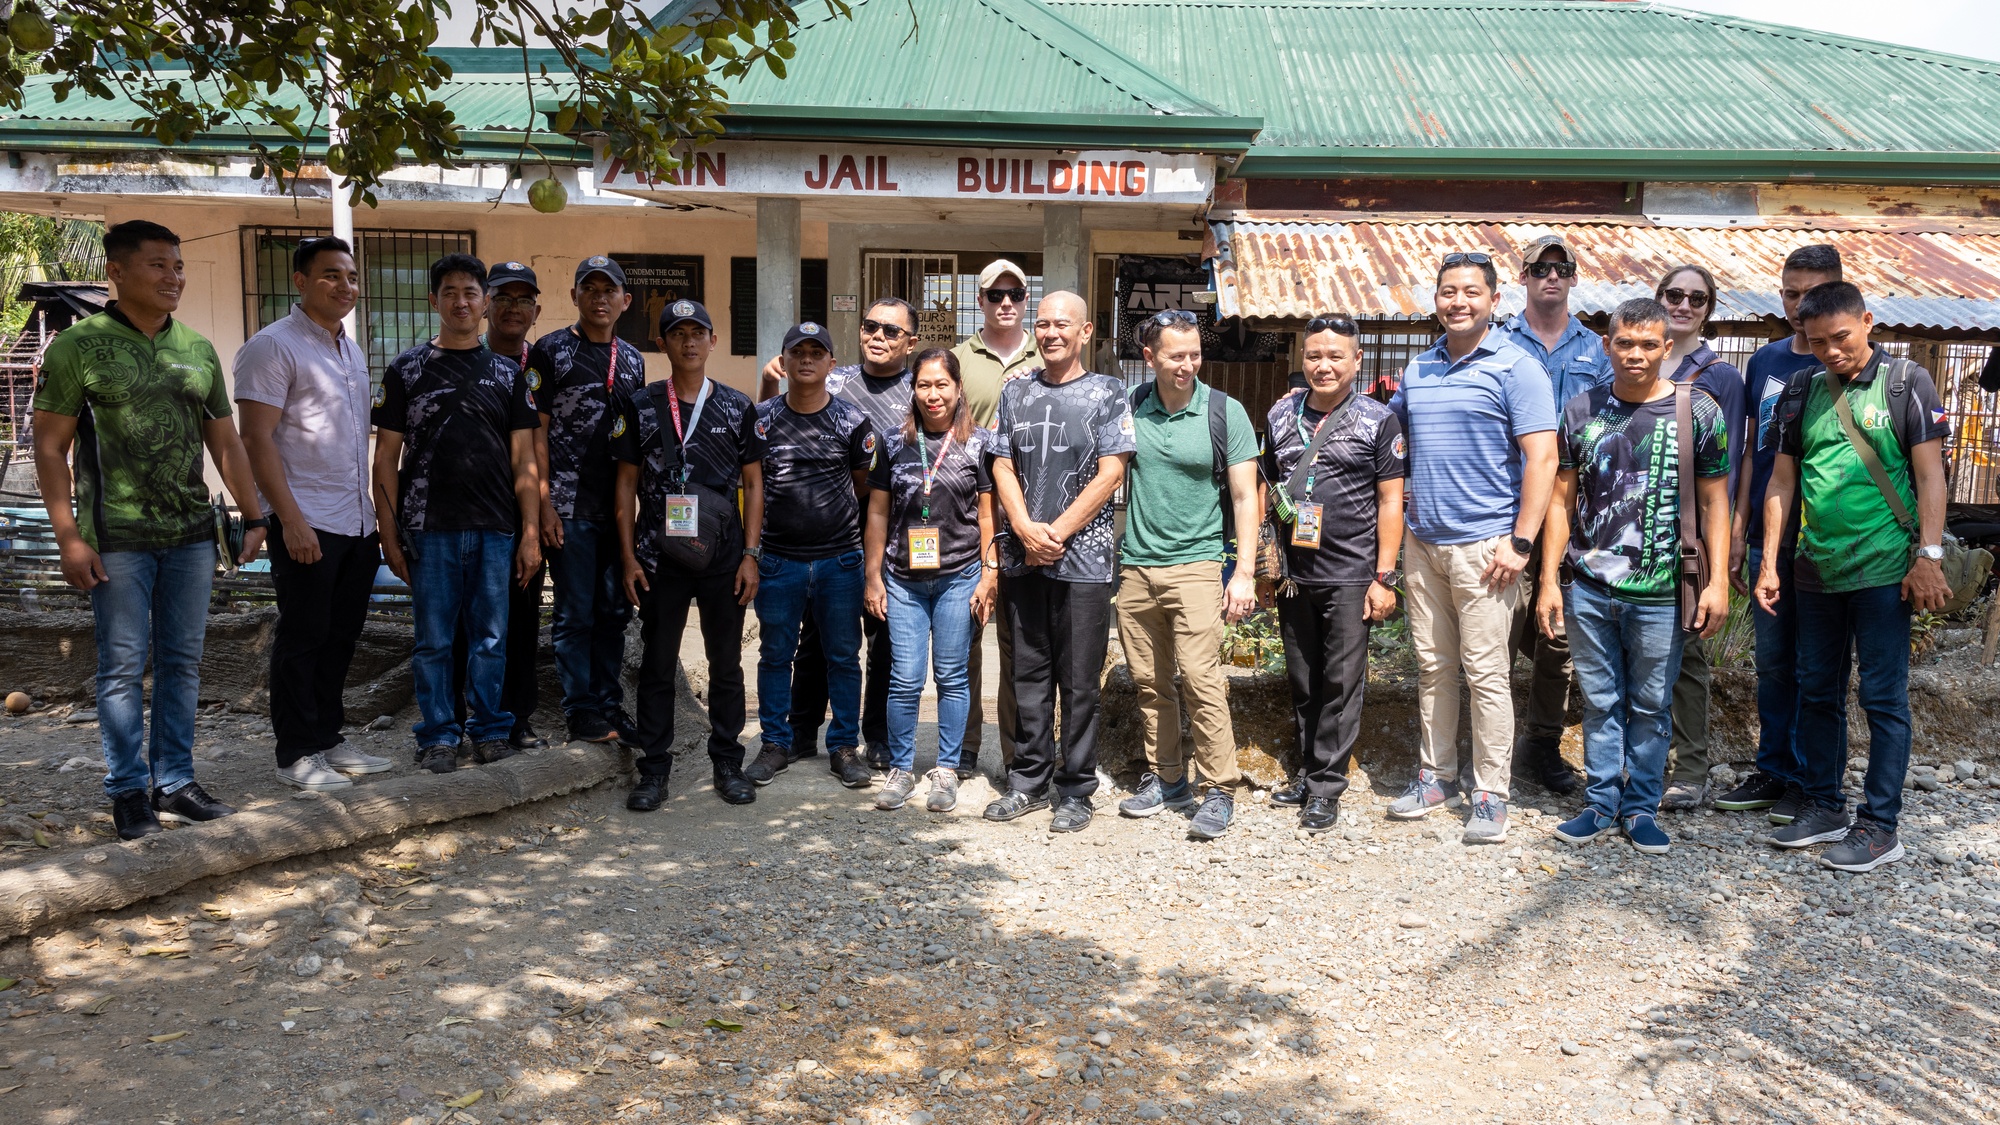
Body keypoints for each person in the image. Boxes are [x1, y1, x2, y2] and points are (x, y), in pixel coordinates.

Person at [32, 220, 266, 839]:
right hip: (117, 539)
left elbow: (226, 439)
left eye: (179, 266)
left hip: (192, 533)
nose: (174, 278)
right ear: (117, 271)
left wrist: (254, 511)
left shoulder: (196, 348)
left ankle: (175, 781)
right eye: (158, 265)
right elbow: (50, 449)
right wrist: (69, 538)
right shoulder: (76, 348)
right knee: (121, 666)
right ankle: (129, 791)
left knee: (184, 661)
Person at [1756, 281, 1951, 873]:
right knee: (1816, 690)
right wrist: (1770, 561)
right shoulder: (1801, 389)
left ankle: (1880, 825)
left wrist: (1930, 556)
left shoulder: (1906, 383)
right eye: (1817, 342)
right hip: (1816, 568)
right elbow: (1782, 483)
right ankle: (1824, 805)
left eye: (1840, 337)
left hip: (1886, 569)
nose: (1831, 352)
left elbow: (1930, 477)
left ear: (1867, 322)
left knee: (1882, 698)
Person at [1541, 299, 1731, 856]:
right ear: (1607, 345)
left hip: (1662, 592)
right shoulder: (1580, 409)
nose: (1636, 354)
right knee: (1600, 702)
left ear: (1667, 348)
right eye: (1625, 343)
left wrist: (1717, 581)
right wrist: (1551, 580)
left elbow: (1717, 501)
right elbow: (1560, 500)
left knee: (1651, 704)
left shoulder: (1698, 411)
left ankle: (1641, 806)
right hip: (1591, 586)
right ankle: (1601, 803)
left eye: (1649, 344)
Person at [1386, 252, 1558, 845]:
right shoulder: (1418, 370)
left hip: (1488, 547)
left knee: (1486, 673)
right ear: (1434, 299)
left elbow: (1543, 458)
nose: (1458, 301)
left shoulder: (1518, 367)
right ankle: (1436, 776)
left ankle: (1490, 792)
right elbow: (1394, 442)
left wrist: (1521, 543)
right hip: (1423, 542)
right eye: (1447, 292)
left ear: (1493, 300)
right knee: (1433, 667)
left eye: (1471, 292)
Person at [372, 254, 542, 774]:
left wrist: (531, 531)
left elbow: (525, 459)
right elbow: (386, 459)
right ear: (434, 300)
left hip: (495, 527)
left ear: (484, 302)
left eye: (471, 292)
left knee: (491, 638)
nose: (461, 302)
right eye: (450, 292)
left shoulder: (508, 374)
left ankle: (491, 729)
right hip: (428, 527)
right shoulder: (406, 371)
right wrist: (389, 533)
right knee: (434, 641)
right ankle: (438, 735)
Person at [235, 235, 392, 791]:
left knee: (342, 635)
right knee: (303, 636)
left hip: (356, 521)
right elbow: (256, 440)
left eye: (350, 277)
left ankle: (327, 737)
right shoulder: (272, 347)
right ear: (300, 281)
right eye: (330, 275)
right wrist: (291, 520)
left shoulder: (348, 348)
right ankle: (295, 753)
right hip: (308, 520)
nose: (344, 286)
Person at [983, 291, 1134, 834]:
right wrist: (1024, 529)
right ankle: (1027, 780)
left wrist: (1056, 533)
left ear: (1086, 331)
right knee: (1027, 676)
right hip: (1023, 558)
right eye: (1041, 323)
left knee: (1078, 681)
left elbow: (1111, 472)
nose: (1049, 333)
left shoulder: (1109, 394)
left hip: (1084, 562)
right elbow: (1000, 464)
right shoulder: (1015, 391)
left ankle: (1075, 789)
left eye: (1061, 324)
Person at [751, 299, 917, 778]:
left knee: (855, 651)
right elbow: (754, 479)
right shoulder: (779, 409)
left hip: (857, 547)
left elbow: (864, 484)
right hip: (783, 555)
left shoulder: (878, 405)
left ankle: (854, 744)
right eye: (870, 327)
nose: (806, 360)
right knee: (787, 651)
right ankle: (783, 740)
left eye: (816, 352)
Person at [1110, 309, 1260, 839]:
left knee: (1201, 679)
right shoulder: (1129, 409)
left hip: (1198, 566)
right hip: (1137, 567)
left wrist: (1242, 572)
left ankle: (1219, 788)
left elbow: (1246, 497)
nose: (1188, 365)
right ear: (1149, 357)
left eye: (1195, 354)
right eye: (1176, 355)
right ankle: (1167, 777)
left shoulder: (1225, 411)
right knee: (1150, 682)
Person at [612, 299, 766, 810]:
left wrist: (750, 554)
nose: (690, 341)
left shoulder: (737, 406)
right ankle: (653, 770)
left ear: (713, 341)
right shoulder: (641, 404)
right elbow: (626, 484)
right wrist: (630, 557)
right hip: (660, 557)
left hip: (723, 559)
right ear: (663, 343)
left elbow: (753, 483)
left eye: (699, 332)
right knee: (657, 664)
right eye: (678, 333)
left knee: (726, 664)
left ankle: (728, 763)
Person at [1259, 314, 1406, 834]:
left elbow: (1392, 501)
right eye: (1315, 356)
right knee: (1304, 678)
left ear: (1357, 360)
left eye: (1335, 356)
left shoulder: (1378, 420)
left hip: (1350, 572)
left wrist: (1383, 577)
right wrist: (1262, 559)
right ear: (1303, 359)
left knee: (1341, 682)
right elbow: (1267, 485)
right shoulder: (1281, 414)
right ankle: (1307, 768)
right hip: (1294, 573)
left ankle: (1326, 786)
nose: (1324, 365)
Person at [1714, 245, 1844, 824]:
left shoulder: (1850, 360)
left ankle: (1814, 782)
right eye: (1790, 293)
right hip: (1770, 534)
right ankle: (1774, 769)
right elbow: (1750, 453)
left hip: (1829, 540)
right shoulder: (1765, 361)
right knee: (1771, 661)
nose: (1798, 305)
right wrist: (1739, 533)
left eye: (1812, 294)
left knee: (1818, 668)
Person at [1500, 233, 1611, 796]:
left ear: (1572, 278)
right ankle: (1491, 745)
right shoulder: (1495, 344)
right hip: (1506, 510)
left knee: (1557, 634)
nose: (1551, 276)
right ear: (1523, 276)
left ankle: (1541, 743)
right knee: (1498, 628)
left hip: (1573, 510)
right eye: (1540, 268)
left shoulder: (1598, 351)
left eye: (1561, 268)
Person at [862, 348, 996, 812]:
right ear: (912, 389)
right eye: (924, 385)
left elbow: (986, 514)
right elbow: (878, 512)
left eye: (942, 384)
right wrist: (873, 576)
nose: (933, 394)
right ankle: (901, 769)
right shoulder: (893, 442)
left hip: (960, 576)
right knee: (904, 678)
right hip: (902, 580)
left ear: (958, 389)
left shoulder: (979, 444)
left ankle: (945, 769)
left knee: (952, 676)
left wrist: (988, 576)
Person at [529, 255, 645, 746]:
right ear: (574, 296)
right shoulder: (551, 351)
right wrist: (544, 505)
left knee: (614, 612)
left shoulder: (634, 359)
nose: (600, 298)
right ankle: (580, 711)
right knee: (575, 613)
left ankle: (609, 704)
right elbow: (536, 434)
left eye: (609, 290)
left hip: (617, 511)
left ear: (625, 300)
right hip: (568, 509)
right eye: (589, 289)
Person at [1651, 263, 1746, 811]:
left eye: (1697, 298)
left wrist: (1725, 541)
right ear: (1658, 298)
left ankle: (1690, 766)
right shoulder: (1630, 355)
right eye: (1675, 295)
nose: (1684, 305)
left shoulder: (1720, 377)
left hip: (1689, 534)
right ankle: (1635, 763)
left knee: (1686, 654)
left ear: (1709, 308)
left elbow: (1725, 472)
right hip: (1629, 530)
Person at [451, 260, 549, 753]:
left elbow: (544, 442)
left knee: (520, 617)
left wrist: (540, 515)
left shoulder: (543, 364)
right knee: (458, 621)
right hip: (462, 515)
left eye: (523, 300)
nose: (513, 309)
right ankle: (453, 721)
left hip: (524, 512)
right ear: (487, 304)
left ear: (537, 309)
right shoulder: (461, 353)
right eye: (503, 298)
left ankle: (515, 717)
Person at [953, 259, 1041, 777]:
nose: (1005, 302)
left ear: (1024, 299)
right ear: (980, 301)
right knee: (966, 638)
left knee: (1019, 645)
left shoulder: (1049, 352)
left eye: (1014, 294)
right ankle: (963, 747)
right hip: (970, 513)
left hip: (1031, 514)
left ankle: (1015, 755)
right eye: (994, 295)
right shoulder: (960, 359)